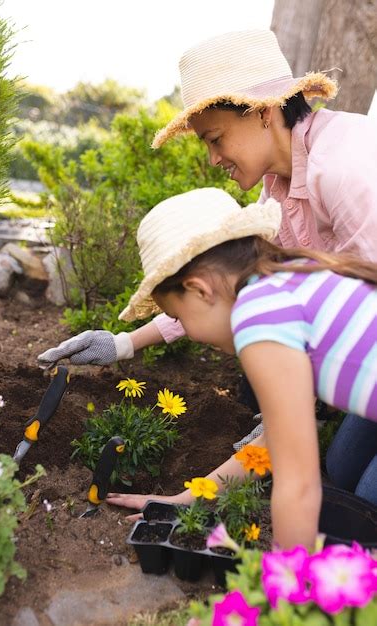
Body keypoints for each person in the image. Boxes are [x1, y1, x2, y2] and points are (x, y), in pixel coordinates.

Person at [37, 30, 377, 510]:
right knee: (342, 471)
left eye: (216, 139)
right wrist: (124, 343)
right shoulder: (278, 189)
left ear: (263, 110)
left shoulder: (345, 169)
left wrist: (295, 405)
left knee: (366, 498)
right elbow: (220, 290)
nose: (213, 158)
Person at [120, 187, 376, 548]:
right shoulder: (285, 278)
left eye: (178, 316)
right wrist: (185, 499)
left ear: (199, 290)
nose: (187, 332)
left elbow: (298, 485)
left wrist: (284, 594)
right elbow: (273, 442)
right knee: (347, 472)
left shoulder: (258, 319)